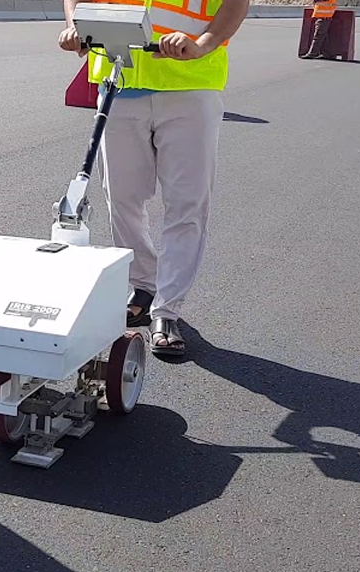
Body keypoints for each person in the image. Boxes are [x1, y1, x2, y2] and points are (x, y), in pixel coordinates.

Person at [58, 0, 248, 356]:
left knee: (186, 204)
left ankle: (167, 309)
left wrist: (203, 44)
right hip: (119, 79)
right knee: (121, 198)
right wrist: (76, 27)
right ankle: (142, 285)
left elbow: (236, 2)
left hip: (189, 83)